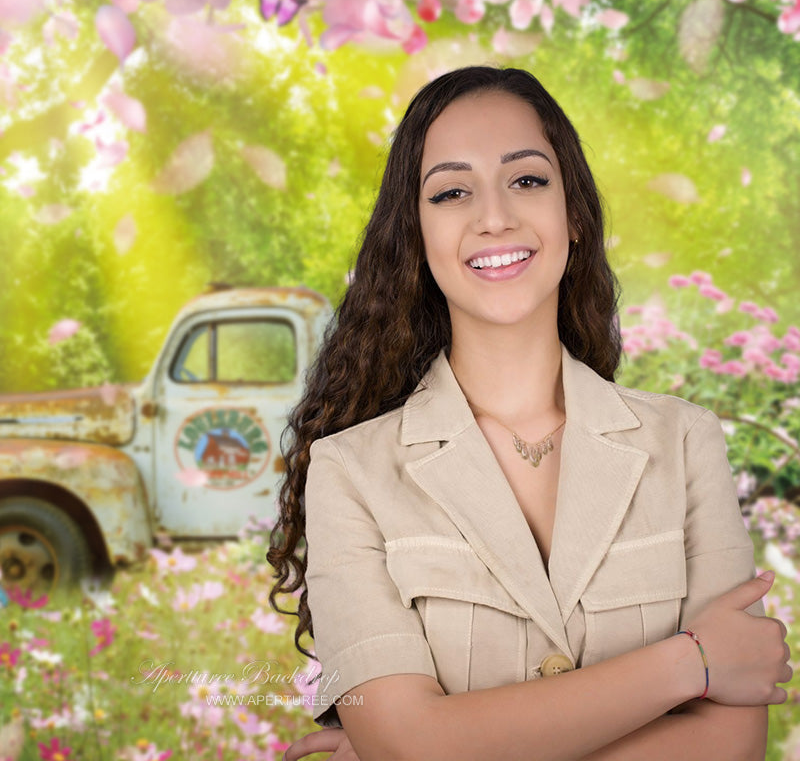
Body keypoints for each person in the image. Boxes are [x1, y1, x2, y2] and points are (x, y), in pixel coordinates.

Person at [267, 65, 792, 761]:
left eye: (527, 179)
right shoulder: (349, 472)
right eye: (452, 192)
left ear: (571, 211)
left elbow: (730, 747)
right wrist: (690, 663)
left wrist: (441, 744)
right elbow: (409, 746)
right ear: (416, 236)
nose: (494, 217)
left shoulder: (685, 442)